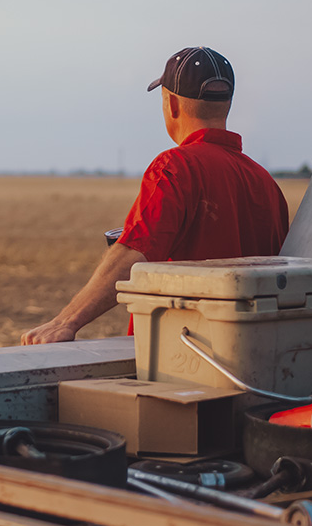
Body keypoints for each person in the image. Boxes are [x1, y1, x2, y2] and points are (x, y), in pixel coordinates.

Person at [20, 46, 289, 345]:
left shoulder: (175, 167)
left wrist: (65, 322)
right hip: (255, 356)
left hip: (179, 356)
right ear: (227, 104)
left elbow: (135, 251)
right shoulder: (267, 184)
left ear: (171, 104)